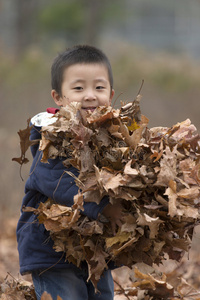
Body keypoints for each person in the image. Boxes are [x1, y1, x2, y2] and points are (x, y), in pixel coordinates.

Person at [16, 45, 123, 300]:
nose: (90, 96)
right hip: (51, 246)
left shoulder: (113, 135)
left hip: (93, 246)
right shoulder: (50, 134)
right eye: (78, 88)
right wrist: (105, 207)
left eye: (99, 88)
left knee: (103, 295)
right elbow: (58, 182)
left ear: (111, 93)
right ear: (58, 97)